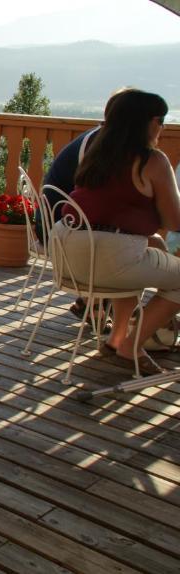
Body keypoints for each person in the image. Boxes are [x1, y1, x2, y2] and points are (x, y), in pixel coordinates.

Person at [55, 88, 180, 375]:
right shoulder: (152, 160)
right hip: (111, 258)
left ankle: (116, 339)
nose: (163, 127)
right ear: (147, 122)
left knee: (152, 245)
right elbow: (175, 221)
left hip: (67, 252)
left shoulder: (96, 154)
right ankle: (130, 345)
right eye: (161, 120)